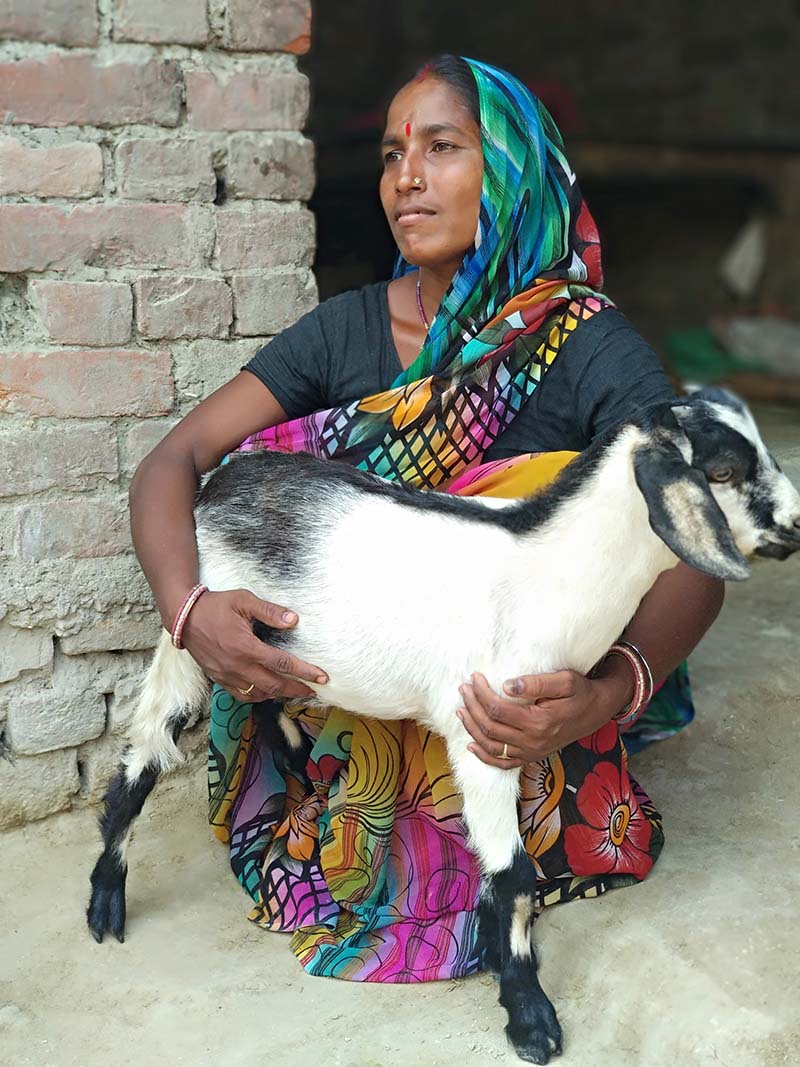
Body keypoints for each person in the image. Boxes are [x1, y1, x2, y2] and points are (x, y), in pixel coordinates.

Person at [130, 55, 723, 981]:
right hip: (353, 696)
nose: (405, 177)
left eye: (442, 147)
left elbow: (696, 535)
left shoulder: (583, 344)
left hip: (512, 721)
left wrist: (608, 693)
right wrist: (189, 609)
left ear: (512, 169)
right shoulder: (346, 330)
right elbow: (173, 462)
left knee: (580, 491)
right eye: (391, 154)